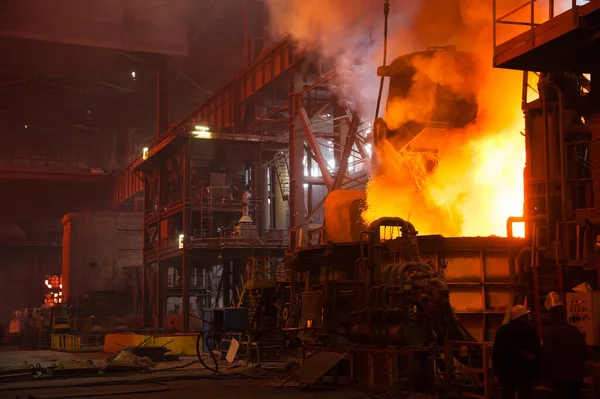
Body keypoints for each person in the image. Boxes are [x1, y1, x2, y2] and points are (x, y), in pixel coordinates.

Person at [541, 292, 589, 399]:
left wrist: (543, 376)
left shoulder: (549, 333)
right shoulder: (575, 331)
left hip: (558, 379)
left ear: (551, 315)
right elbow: (585, 354)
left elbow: (546, 357)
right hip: (575, 378)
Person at [492, 305, 541, 399]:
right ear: (522, 317)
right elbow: (536, 353)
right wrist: (537, 373)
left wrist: (496, 370)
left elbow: (496, 352)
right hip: (525, 372)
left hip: (505, 371)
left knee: (507, 393)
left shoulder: (502, 331)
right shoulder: (529, 331)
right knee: (525, 394)